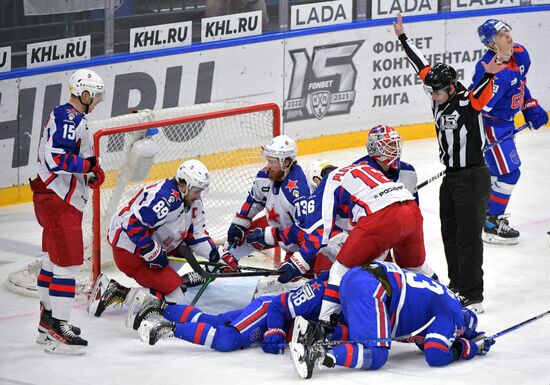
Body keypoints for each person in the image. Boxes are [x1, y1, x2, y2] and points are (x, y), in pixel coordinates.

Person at [394, 13, 504, 313]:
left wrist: (493, 70)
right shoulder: (437, 93)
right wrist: (403, 37)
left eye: (438, 91)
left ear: (452, 88)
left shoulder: (469, 100)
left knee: (469, 238)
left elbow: (487, 80)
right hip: (451, 178)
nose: (433, 96)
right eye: (431, 91)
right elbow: (421, 65)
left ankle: (473, 294)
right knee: (450, 234)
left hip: (473, 176)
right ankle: (457, 286)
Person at [289, 261, 496, 379]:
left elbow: (424, 341)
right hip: (374, 288)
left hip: (357, 277)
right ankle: (318, 355)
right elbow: (435, 354)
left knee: (366, 333)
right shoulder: (454, 315)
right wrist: (469, 349)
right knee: (377, 353)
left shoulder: (443, 300)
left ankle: (312, 332)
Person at [88, 159, 232, 317]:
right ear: (183, 185)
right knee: (176, 297)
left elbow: (196, 234)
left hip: (156, 245)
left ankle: (156, 286)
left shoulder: (192, 201)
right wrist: (151, 252)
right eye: (196, 191)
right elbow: (134, 226)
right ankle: (120, 292)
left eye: (201, 191)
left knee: (174, 285)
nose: (198, 197)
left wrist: (216, 255)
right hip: (130, 251)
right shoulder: (165, 199)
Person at [31, 68, 105, 355]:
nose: (98, 101)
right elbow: (58, 158)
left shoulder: (70, 117)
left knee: (51, 260)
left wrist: (90, 173)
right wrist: (88, 168)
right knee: (68, 265)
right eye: (95, 96)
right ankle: (59, 330)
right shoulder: (69, 118)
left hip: (53, 197)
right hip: (58, 199)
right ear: (83, 94)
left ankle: (46, 323)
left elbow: (72, 155)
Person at [132, 272, 349, 353]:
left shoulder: (359, 301)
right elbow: (277, 306)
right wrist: (274, 330)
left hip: (276, 318)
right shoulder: (321, 290)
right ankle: (166, 328)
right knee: (228, 340)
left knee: (214, 321)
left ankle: (160, 308)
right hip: (268, 312)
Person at [473, 19, 548, 245]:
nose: (507, 36)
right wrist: (475, 137)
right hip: (492, 127)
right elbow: (477, 106)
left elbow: (521, 83)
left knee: (496, 174)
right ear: (491, 44)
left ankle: (483, 215)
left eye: (507, 31)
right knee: (509, 174)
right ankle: (492, 224)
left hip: (506, 124)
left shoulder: (520, 53)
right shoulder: (491, 71)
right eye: (500, 34)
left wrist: (529, 105)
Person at [224, 135, 310, 270]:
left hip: (299, 242)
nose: (267, 166)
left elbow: (306, 231)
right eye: (267, 160)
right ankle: (217, 267)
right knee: (235, 243)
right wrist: (240, 223)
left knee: (290, 278)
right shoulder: (266, 175)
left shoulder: (299, 192)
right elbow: (254, 200)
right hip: (278, 224)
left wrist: (272, 236)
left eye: (271, 162)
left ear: (286, 163)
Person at [355, 124, 418, 202]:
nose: (395, 148)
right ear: (375, 147)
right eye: (389, 144)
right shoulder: (359, 174)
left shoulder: (408, 171)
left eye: (395, 143)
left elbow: (414, 209)